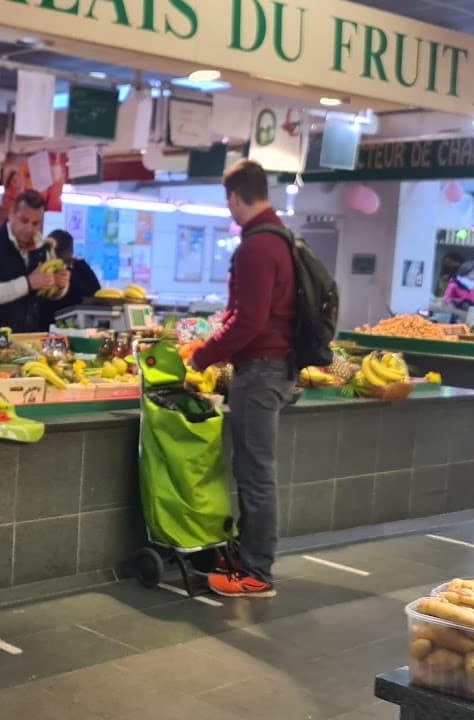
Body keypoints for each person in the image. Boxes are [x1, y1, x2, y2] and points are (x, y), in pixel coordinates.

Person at [188, 160, 296, 599]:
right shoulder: (280, 237)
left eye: (227, 200)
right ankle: (248, 557)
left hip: (261, 370)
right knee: (254, 470)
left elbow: (249, 320)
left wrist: (203, 356)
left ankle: (256, 572)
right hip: (276, 366)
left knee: (255, 475)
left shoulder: (257, 246)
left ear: (234, 197)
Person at [0, 190, 69, 332]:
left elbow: (44, 293)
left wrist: (59, 285)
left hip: (25, 338)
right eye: (24, 221)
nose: (29, 228)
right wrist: (28, 283)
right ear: (11, 214)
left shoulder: (41, 249)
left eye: (36, 223)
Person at [38, 230, 101, 327]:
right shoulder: (78, 275)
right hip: (76, 328)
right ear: (71, 251)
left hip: (44, 328)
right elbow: (97, 293)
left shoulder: (41, 274)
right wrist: (81, 264)